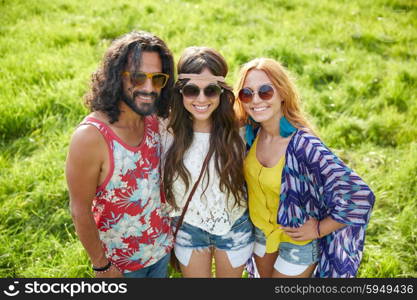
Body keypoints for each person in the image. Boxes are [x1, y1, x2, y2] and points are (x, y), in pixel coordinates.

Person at [234, 57, 375, 278]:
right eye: (247, 93)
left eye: (265, 91)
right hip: (262, 235)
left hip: (297, 243)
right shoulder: (250, 134)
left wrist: (319, 229)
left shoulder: (304, 145)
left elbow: (360, 195)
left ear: (282, 94)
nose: (256, 100)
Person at [65, 31, 175, 278]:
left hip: (160, 251)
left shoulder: (154, 120)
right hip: (119, 268)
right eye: (137, 78)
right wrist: (101, 264)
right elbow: (79, 210)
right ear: (116, 77)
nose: (149, 88)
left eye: (157, 79)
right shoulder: (91, 137)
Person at [161, 47, 254, 278]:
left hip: (234, 225)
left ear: (221, 92)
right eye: (192, 90)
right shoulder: (165, 130)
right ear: (180, 91)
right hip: (189, 227)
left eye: (210, 91)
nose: (201, 99)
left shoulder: (241, 128)